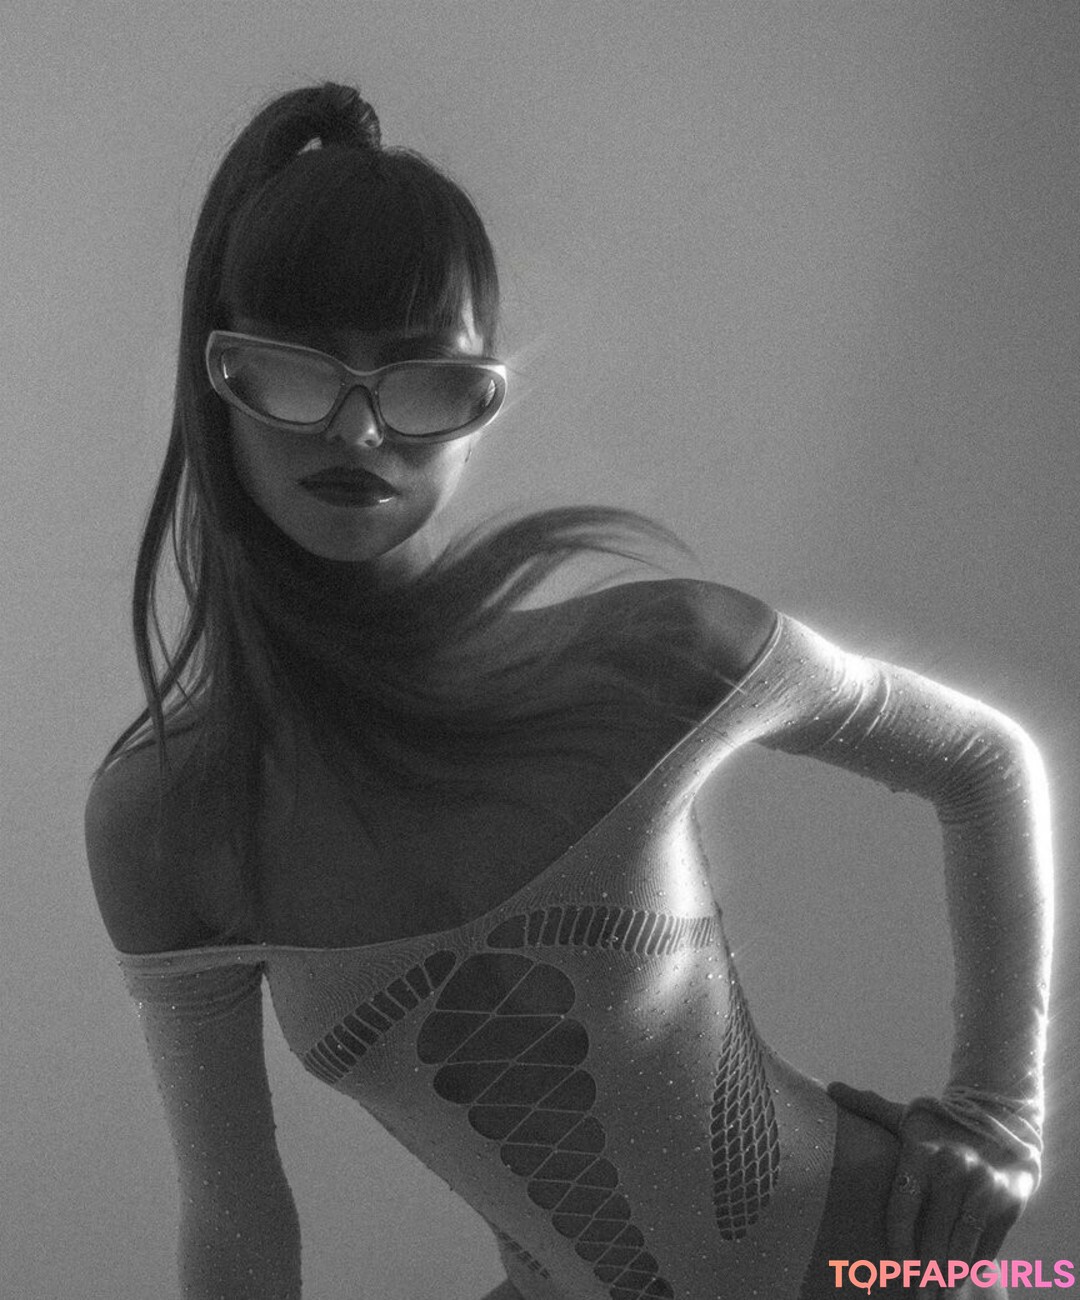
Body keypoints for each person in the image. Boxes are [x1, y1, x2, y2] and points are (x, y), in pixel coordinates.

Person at [84, 82, 1052, 1300]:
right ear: (216, 379)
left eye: (421, 378)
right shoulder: (166, 822)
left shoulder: (658, 658)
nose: (360, 432)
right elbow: (238, 1228)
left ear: (480, 400)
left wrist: (1002, 1113)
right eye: (294, 367)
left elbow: (984, 760)